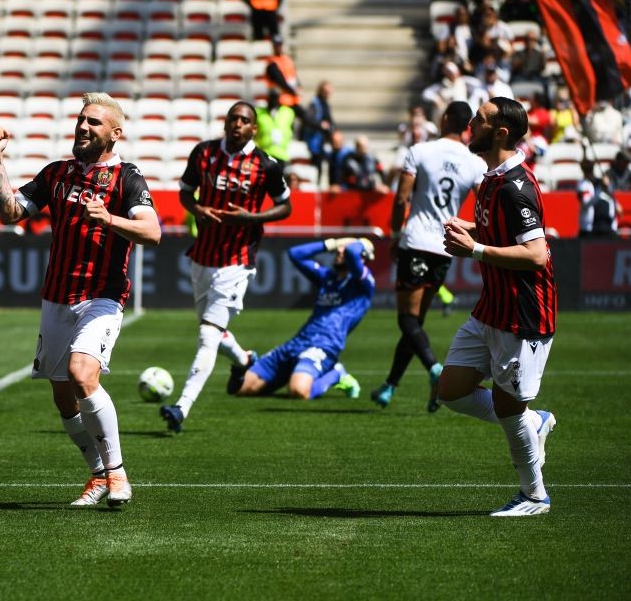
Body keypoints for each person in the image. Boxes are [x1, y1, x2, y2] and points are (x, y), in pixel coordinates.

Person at [0, 92, 161, 507]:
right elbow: (11, 212)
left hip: (102, 295)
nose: (83, 126)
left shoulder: (128, 177)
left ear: (115, 134)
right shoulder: (57, 173)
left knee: (84, 375)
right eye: (81, 120)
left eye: (94, 123)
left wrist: (109, 219)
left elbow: (152, 232)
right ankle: (98, 475)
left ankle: (117, 475)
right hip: (56, 298)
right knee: (63, 396)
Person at [439, 96, 558, 517]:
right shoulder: (493, 178)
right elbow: (497, 228)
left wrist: (474, 248)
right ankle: (535, 422)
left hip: (523, 314)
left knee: (508, 408)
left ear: (500, 132)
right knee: (450, 390)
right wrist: (470, 227)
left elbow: (537, 254)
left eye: (480, 119)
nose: (471, 123)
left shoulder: (515, 186)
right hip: (492, 307)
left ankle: (534, 496)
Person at [160, 101, 292, 433]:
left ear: (253, 129)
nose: (237, 124)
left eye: (244, 120)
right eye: (233, 118)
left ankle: (181, 407)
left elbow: (285, 206)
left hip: (237, 260)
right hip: (203, 255)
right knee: (213, 329)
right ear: (225, 123)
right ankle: (246, 361)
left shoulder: (266, 165)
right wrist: (197, 210)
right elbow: (185, 192)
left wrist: (253, 218)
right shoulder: (203, 153)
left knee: (207, 335)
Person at [371, 102, 486, 411]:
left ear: (445, 118)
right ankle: (390, 385)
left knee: (407, 320)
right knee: (416, 321)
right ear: (467, 127)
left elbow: (401, 198)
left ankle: (436, 370)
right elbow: (484, 202)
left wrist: (396, 235)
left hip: (417, 240)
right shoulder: (474, 162)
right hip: (445, 246)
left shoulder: (420, 151)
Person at [227, 237, 374, 399]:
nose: (339, 251)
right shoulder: (327, 277)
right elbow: (295, 254)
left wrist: (356, 242)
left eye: (344, 250)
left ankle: (336, 373)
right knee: (241, 388)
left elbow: (353, 253)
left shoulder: (363, 284)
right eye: (338, 250)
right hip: (297, 343)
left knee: (298, 391)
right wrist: (332, 243)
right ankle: (290, 373)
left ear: (363, 258)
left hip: (324, 346)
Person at [265, 34, 304, 132]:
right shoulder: (272, 63)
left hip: (291, 100)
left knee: (302, 118)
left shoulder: (287, 60)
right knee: (282, 125)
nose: (278, 47)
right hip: (278, 101)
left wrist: (298, 87)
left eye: (280, 44)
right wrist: (292, 91)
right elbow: (280, 81)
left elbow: (294, 76)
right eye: (276, 45)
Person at [578, 155, 620, 238]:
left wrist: (606, 187)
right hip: (588, 228)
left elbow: (612, 200)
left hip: (608, 227)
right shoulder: (582, 185)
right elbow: (586, 203)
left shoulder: (601, 183)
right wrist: (601, 188)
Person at [304, 80, 335, 186]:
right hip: (314, 141)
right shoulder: (315, 103)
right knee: (315, 166)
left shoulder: (325, 104)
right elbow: (308, 119)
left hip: (322, 141)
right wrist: (321, 125)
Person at [254, 90, 295, 162]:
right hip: (263, 154)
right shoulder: (259, 112)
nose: (273, 100)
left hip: (281, 154)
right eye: (271, 98)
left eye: (275, 97)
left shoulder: (288, 112)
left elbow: (292, 130)